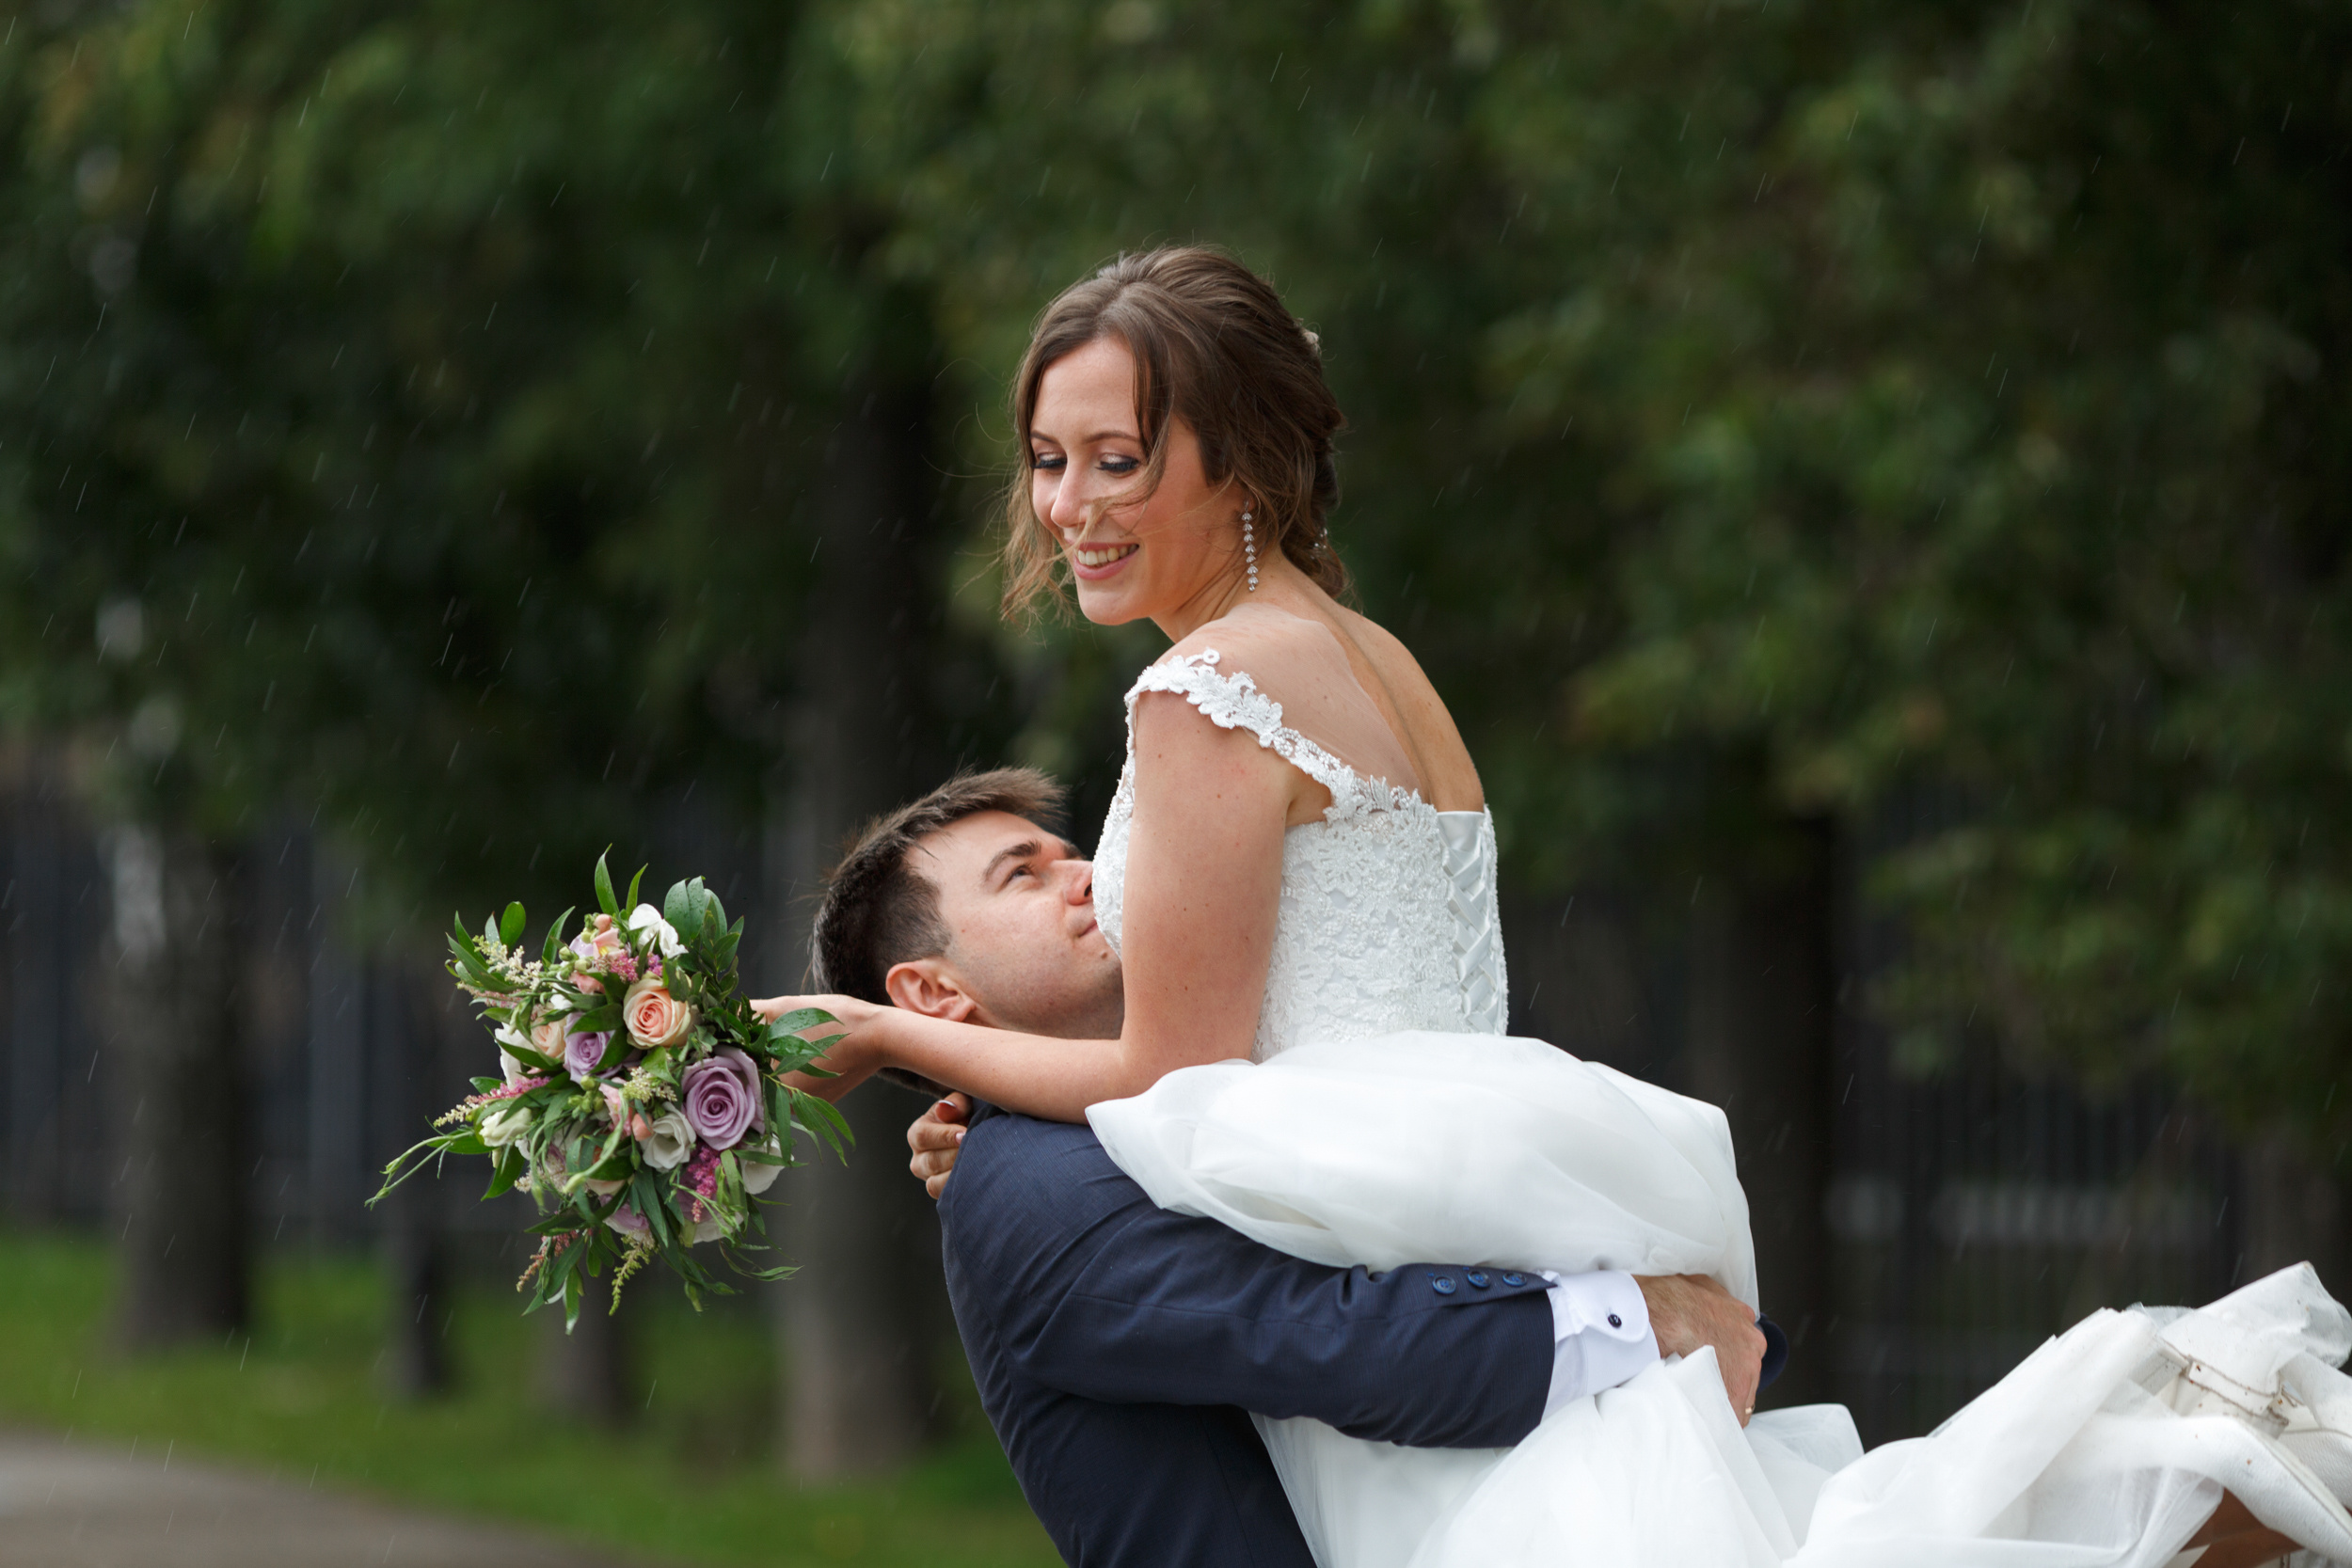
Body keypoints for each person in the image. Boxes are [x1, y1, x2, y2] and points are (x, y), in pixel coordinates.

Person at [758, 247, 2343, 1567]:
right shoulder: (1371, 658)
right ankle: (2183, 1494)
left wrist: (894, 1038)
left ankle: (2195, 1486)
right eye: (1049, 460)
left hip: (1372, 1203)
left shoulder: (1204, 691)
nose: (1073, 506)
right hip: (1467, 1170)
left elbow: (1176, 1069)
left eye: (1121, 458)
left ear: (1237, 454)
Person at [801, 767, 1773, 1567]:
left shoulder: (1134, 1107)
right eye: (1022, 875)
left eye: (1073, 851)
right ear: (931, 989)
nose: (1088, 875)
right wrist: (1633, 1315)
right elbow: (1331, 1338)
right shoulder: (1025, 1186)